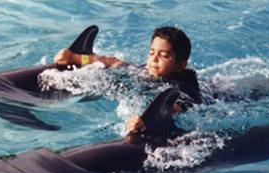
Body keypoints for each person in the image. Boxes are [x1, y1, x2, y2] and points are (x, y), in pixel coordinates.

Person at [54, 26, 202, 133]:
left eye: (163, 56)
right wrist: (77, 58)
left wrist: (147, 121)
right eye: (151, 53)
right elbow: (114, 63)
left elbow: (178, 105)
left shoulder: (184, 85)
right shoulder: (146, 71)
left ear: (180, 64)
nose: (154, 60)